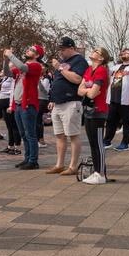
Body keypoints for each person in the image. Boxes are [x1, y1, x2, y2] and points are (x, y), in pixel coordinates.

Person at [46, 36, 88, 176]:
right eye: (60, 50)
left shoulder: (79, 61)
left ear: (71, 48)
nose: (61, 53)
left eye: (63, 49)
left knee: (73, 134)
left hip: (71, 102)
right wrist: (52, 98)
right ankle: (59, 164)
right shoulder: (63, 62)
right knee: (59, 135)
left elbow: (78, 79)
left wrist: (60, 68)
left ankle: (73, 165)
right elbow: (56, 81)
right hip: (58, 102)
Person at [5, 45, 44, 170]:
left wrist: (11, 55)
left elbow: (22, 67)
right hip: (18, 104)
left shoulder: (35, 66)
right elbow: (7, 73)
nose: (28, 50)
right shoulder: (24, 68)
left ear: (37, 55)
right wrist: (6, 60)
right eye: (28, 48)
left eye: (32, 50)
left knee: (30, 134)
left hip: (28, 105)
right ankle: (27, 158)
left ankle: (33, 160)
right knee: (23, 134)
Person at [78, 47, 112, 185]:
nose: (93, 53)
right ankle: (96, 171)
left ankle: (101, 173)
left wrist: (88, 91)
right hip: (88, 110)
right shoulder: (88, 70)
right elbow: (79, 90)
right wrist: (88, 90)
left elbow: (93, 93)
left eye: (96, 52)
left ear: (101, 57)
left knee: (98, 144)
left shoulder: (101, 70)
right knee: (92, 144)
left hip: (98, 111)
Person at [104, 48, 129, 152]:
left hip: (126, 100)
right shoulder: (114, 68)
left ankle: (125, 143)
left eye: (127, 52)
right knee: (110, 122)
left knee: (127, 123)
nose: (124, 53)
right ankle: (107, 141)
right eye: (123, 52)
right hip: (113, 99)